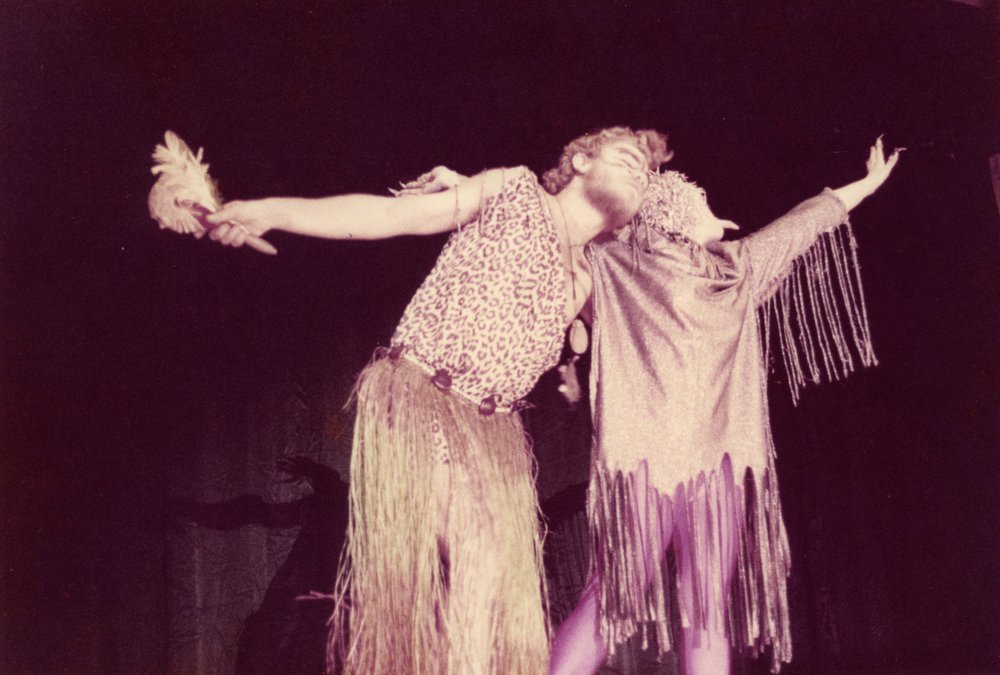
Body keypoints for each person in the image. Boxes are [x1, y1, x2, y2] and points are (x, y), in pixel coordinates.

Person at [204, 127, 672, 674]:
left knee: (491, 589)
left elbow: (664, 326)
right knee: (481, 563)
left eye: (648, 172)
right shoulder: (514, 190)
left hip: (491, 434)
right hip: (424, 396)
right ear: (581, 160)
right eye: (626, 156)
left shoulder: (593, 279)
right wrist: (270, 211)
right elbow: (388, 217)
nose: (640, 170)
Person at [549, 137, 902, 675]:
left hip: (641, 465)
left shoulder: (615, 263)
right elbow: (806, 221)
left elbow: (558, 233)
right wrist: (869, 184)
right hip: (716, 469)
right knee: (705, 610)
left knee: (610, 600)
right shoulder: (736, 269)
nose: (721, 216)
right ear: (679, 215)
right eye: (706, 205)